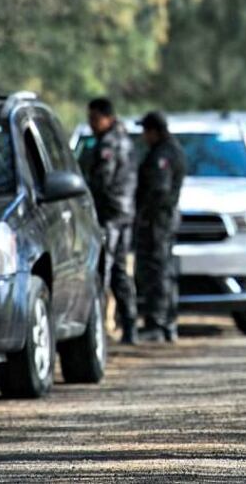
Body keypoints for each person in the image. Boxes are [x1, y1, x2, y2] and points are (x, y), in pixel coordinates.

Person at [84, 98, 140, 345]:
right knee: (119, 272)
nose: (91, 124)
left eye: (94, 119)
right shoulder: (126, 139)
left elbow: (102, 181)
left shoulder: (109, 143)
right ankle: (129, 327)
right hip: (124, 213)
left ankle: (96, 332)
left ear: (107, 117)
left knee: (103, 271)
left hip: (109, 214)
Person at [134, 111, 187, 343]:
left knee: (156, 270)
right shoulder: (171, 149)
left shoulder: (163, 154)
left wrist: (145, 215)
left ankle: (157, 323)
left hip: (157, 220)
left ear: (154, 131)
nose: (144, 136)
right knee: (163, 269)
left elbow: (159, 189)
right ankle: (167, 323)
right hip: (163, 219)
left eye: (146, 131)